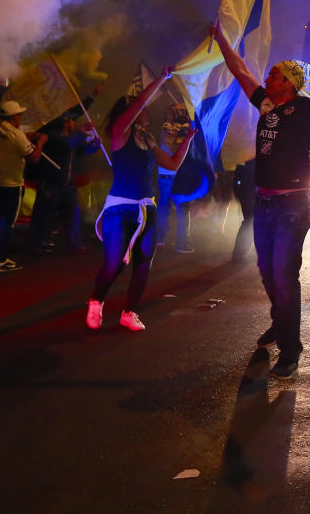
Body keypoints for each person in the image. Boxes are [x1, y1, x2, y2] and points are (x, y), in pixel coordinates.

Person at [211, 23, 310, 379]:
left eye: (275, 75)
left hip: (292, 207)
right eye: (269, 75)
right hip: (264, 203)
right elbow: (240, 71)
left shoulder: (305, 108)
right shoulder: (265, 103)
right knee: (267, 273)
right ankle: (280, 324)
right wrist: (221, 38)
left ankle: (290, 349)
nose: (267, 79)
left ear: (291, 83)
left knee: (284, 276)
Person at [87, 71, 194, 333]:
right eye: (142, 109)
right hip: (119, 210)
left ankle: (129, 312)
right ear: (132, 113)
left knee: (144, 262)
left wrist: (189, 139)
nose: (146, 112)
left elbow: (171, 164)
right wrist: (159, 80)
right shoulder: (119, 133)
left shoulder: (147, 138)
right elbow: (137, 104)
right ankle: (96, 301)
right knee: (113, 265)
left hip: (147, 210)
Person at [0, 100, 46, 272]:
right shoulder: (16, 135)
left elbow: (7, 143)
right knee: (6, 224)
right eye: (20, 114)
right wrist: (41, 143)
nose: (21, 117)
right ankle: (1, 260)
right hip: (11, 185)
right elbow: (33, 158)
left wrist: (26, 137)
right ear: (14, 116)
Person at [27, 113, 99, 255]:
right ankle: (36, 245)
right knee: (44, 216)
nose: (74, 124)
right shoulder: (52, 137)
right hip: (51, 184)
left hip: (67, 185)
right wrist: (82, 131)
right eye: (73, 121)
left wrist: (96, 145)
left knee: (73, 216)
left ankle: (74, 245)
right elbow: (67, 145)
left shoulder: (69, 139)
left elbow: (80, 151)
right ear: (66, 123)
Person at [155, 99, 195, 253]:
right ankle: (182, 243)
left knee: (164, 206)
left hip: (165, 173)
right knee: (183, 208)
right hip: (180, 173)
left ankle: (160, 239)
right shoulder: (188, 128)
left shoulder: (165, 126)